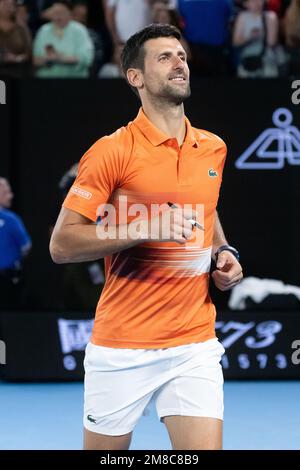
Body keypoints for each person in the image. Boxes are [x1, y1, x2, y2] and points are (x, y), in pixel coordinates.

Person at [50, 24, 243, 450]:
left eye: (182, 55)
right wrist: (143, 228)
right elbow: (62, 245)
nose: (179, 63)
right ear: (135, 77)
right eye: (164, 57)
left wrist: (222, 251)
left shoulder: (213, 147)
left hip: (194, 341)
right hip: (122, 346)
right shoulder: (111, 151)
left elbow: (206, 210)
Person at [33, 0, 94, 78]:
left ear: (70, 14)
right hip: (47, 82)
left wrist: (60, 58)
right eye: (55, 13)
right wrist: (47, 60)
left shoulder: (80, 30)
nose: (58, 16)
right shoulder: (43, 30)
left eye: (61, 13)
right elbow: (35, 60)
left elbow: (86, 59)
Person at [0, 178, 31, 310]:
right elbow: (26, 246)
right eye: (7, 192)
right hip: (7, 280)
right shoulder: (11, 219)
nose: (11, 196)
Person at [0, 0, 32, 78]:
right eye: (4, 3)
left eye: (11, 4)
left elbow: (29, 53)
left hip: (18, 72)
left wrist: (17, 58)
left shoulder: (21, 28)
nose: (8, 7)